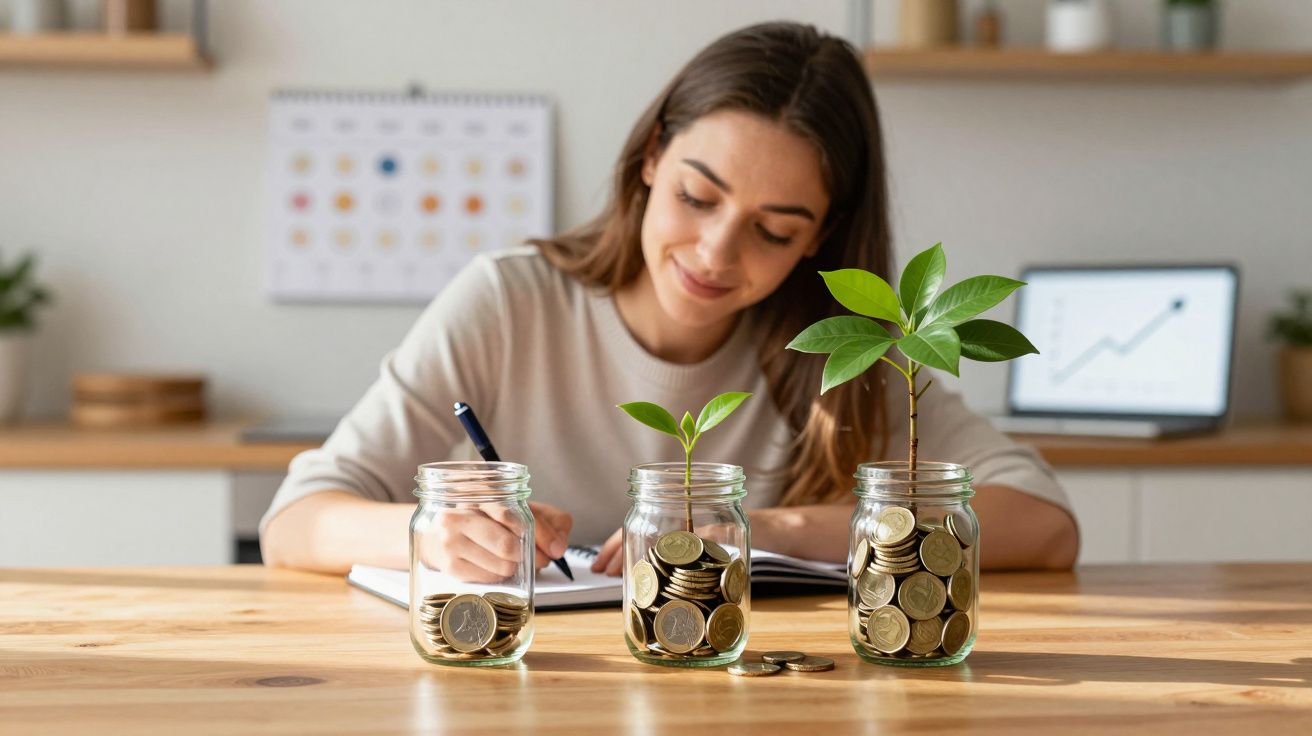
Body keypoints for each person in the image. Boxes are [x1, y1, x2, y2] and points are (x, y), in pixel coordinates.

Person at [260, 21, 1078, 578]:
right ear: (652, 155)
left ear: (820, 237)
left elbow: (1043, 523)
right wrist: (432, 533)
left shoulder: (845, 348)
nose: (716, 253)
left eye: (774, 231)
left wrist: (769, 529)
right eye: (697, 196)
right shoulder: (509, 303)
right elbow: (295, 520)